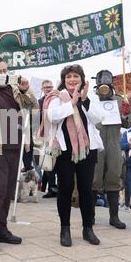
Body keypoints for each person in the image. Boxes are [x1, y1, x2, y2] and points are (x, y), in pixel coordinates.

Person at [0, 56, 39, 252]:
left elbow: (33, 108)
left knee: (8, 192)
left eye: (5, 70)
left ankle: (1, 227)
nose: (3, 74)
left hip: (15, 147)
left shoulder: (14, 87)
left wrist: (26, 89)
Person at [40, 64, 104, 247]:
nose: (72, 80)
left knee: (86, 190)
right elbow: (52, 116)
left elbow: (99, 119)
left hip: (87, 150)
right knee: (65, 189)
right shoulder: (56, 97)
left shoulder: (88, 98)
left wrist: (84, 101)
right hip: (64, 152)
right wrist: (72, 103)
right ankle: (65, 229)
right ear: (63, 80)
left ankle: (88, 229)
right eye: (68, 77)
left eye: (76, 76)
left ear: (82, 79)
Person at [91, 70, 131, 230]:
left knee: (114, 177)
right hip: (96, 143)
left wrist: (126, 113)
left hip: (114, 143)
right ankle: (90, 215)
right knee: (94, 178)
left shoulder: (120, 100)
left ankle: (114, 217)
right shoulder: (91, 100)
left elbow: (127, 124)